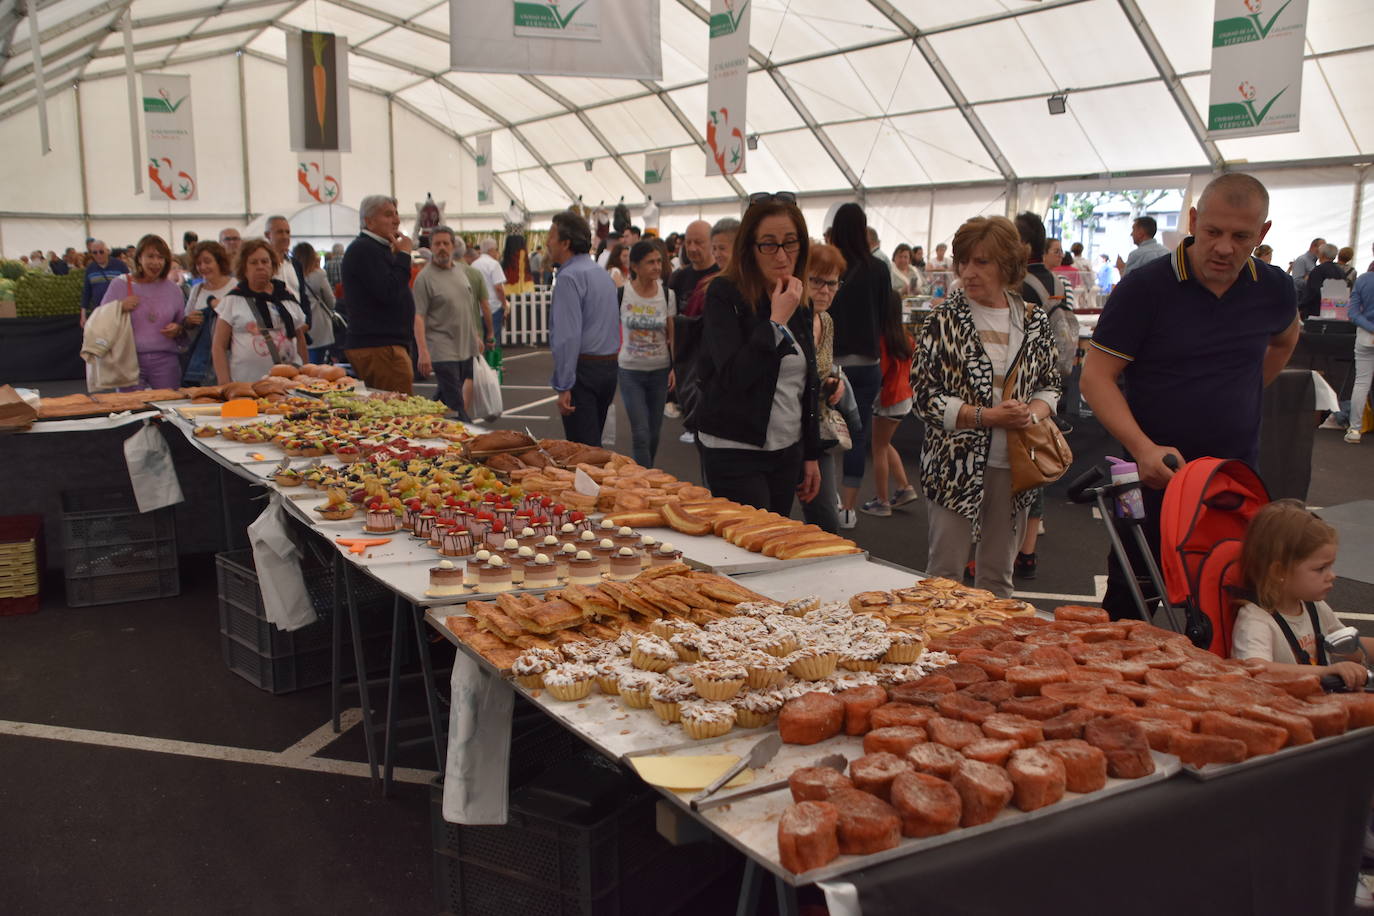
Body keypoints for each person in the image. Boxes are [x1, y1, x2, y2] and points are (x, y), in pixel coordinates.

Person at [1081, 172, 1300, 621]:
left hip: (1234, 478)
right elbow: (1095, 379)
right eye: (1213, 232)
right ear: (1194, 220)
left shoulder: (1274, 286)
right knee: (1131, 599)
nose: (1224, 248)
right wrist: (1143, 448)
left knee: (1232, 600)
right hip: (1144, 479)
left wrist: (1244, 390)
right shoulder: (1144, 289)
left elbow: (1284, 339)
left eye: (1241, 237)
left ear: (1263, 233)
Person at [912, 215, 1062, 598]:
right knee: (943, 577)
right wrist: (986, 417)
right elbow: (924, 397)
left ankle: (992, 652)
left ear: (1007, 264)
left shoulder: (1033, 321)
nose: (968, 272)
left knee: (998, 579)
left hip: (1016, 466)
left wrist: (1031, 414)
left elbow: (1051, 385)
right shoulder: (941, 321)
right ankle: (935, 653)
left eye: (982, 262)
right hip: (953, 465)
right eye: (963, 261)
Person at [695, 193, 821, 514]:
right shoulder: (724, 294)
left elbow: (807, 383)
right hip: (734, 447)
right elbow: (735, 377)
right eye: (769, 244)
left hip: (786, 449)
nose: (781, 255)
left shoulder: (797, 295)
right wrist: (776, 322)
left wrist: (810, 453)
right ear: (750, 249)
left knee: (777, 542)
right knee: (750, 549)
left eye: (790, 242)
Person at [1233, 500, 1374, 685]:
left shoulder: (1315, 607)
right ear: (1279, 572)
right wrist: (1325, 671)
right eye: (1320, 568)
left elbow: (1349, 647)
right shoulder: (1256, 621)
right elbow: (1255, 668)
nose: (1332, 575)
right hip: (1278, 708)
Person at [829, 203, 890, 529]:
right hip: (868, 364)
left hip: (831, 364)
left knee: (821, 431)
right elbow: (884, 315)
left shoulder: (829, 267)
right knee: (858, 433)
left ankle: (828, 498)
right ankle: (849, 507)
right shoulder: (879, 269)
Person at [547, 210, 620, 446]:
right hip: (608, 366)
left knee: (582, 452)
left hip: (584, 370)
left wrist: (564, 384)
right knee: (594, 447)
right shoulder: (601, 274)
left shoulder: (569, 277)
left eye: (551, 236)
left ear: (565, 243)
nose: (548, 243)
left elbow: (568, 337)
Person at [342, 194, 417, 394]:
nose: (396, 220)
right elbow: (389, 291)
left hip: (384, 346)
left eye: (396, 213)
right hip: (380, 347)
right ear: (369, 221)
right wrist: (403, 256)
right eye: (388, 214)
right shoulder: (365, 249)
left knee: (391, 410)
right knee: (397, 414)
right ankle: (244, 411)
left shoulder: (376, 249)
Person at [413, 227, 490, 420]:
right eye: (437, 244)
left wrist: (475, 336)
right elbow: (419, 316)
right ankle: (469, 434)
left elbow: (466, 307)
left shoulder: (460, 271)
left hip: (465, 346)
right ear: (430, 247)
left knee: (444, 396)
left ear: (453, 246)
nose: (441, 248)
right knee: (456, 401)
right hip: (442, 349)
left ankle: (423, 421)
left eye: (445, 243)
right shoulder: (424, 278)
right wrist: (423, 351)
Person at [98, 234, 192, 390]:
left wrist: (178, 329)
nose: (156, 262)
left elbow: (182, 324)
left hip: (166, 361)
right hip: (127, 360)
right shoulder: (119, 285)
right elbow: (100, 319)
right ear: (139, 258)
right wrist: (120, 306)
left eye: (160, 257)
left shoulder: (174, 290)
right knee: (131, 411)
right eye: (150, 256)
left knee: (167, 409)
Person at [211, 239, 308, 383]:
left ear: (272, 265)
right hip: (245, 383)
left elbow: (300, 337)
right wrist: (224, 384)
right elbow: (219, 346)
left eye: (265, 261)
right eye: (254, 262)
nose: (260, 267)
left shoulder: (286, 296)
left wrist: (305, 374)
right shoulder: (233, 300)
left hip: (289, 384)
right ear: (244, 267)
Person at [860, 286, 917, 518]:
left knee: (879, 448)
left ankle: (882, 501)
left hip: (888, 400)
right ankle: (904, 488)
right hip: (904, 398)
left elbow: (878, 375)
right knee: (885, 443)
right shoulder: (906, 338)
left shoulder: (880, 340)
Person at [617, 241, 676, 467]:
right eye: (650, 262)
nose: (657, 266)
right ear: (635, 266)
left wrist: (674, 368)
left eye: (659, 261)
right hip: (631, 371)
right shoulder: (623, 294)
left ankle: (644, 472)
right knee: (640, 433)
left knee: (654, 433)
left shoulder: (667, 295)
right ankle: (645, 481)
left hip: (659, 371)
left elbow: (672, 336)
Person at [804, 242, 849, 535]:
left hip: (817, 430)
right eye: (817, 281)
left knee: (826, 523)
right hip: (785, 434)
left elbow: (825, 368)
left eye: (831, 283)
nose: (825, 290)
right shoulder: (789, 318)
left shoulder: (827, 321)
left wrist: (836, 381)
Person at [181, 240, 235, 386]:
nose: (203, 267)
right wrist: (189, 321)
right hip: (202, 362)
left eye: (207, 261)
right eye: (199, 263)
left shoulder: (235, 286)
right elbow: (186, 320)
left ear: (219, 262)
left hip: (231, 356)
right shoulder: (196, 289)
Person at [293, 242, 337, 363]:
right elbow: (331, 302)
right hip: (319, 327)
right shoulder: (318, 275)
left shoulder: (291, 275)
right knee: (318, 367)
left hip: (298, 326)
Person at [1345, 266, 1374, 444]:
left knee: (1362, 383)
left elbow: (1353, 313)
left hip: (1366, 336)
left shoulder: (1363, 280)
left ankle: (1355, 429)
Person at [668, 220, 717, 318]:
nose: (692, 248)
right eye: (688, 242)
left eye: (698, 243)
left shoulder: (723, 275)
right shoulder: (678, 278)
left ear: (712, 242)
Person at [80, 239, 129, 325]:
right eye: (95, 253)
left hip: (118, 311)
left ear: (107, 251)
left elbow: (129, 285)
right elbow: (86, 293)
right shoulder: (90, 269)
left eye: (101, 252)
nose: (98, 255)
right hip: (99, 311)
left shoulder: (120, 265)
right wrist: (83, 316)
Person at [471, 238, 507, 350]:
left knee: (480, 340)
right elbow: (498, 288)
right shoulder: (494, 264)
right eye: (496, 250)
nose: (497, 252)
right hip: (493, 307)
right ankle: (495, 364)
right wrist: (504, 304)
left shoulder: (474, 264)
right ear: (491, 250)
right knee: (493, 338)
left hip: (478, 307)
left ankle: (483, 365)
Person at [1301, 243, 1348, 319]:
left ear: (1321, 254)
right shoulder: (1341, 271)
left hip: (1317, 312)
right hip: (1336, 311)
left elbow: (1312, 292)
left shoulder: (1318, 270)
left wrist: (1300, 306)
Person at [264, 215, 301, 301]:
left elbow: (302, 295)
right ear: (267, 235)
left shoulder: (296, 264)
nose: (285, 237)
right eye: (280, 232)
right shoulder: (263, 265)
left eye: (287, 232)